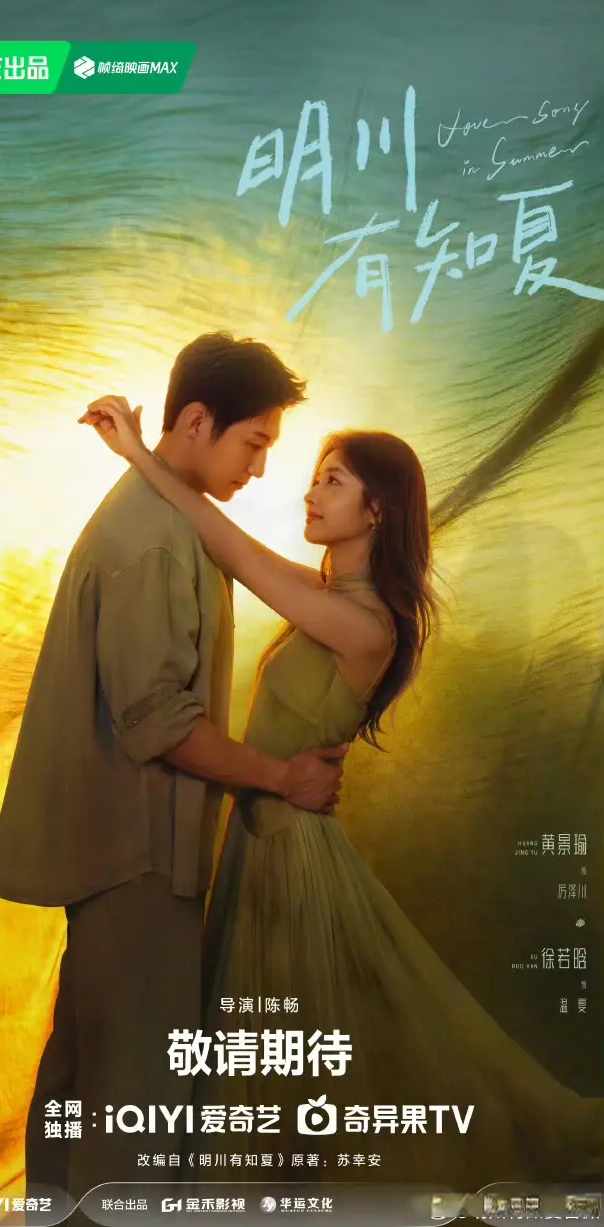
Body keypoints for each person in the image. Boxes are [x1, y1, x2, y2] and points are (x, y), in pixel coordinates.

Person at [81, 393, 603, 1189]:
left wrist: (138, 456)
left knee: (293, 1059)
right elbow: (233, 547)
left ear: (377, 509)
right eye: (317, 477)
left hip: (290, 854)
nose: (310, 492)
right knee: (282, 1055)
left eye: (333, 481)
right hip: (266, 839)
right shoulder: (330, 598)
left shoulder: (366, 624)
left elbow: (229, 546)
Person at [0, 333, 348, 1219]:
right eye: (255, 443)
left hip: (122, 851)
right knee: (134, 1099)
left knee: (85, 1080)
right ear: (197, 421)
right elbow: (160, 724)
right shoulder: (152, 537)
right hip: (139, 854)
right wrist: (282, 777)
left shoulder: (163, 514)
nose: (261, 469)